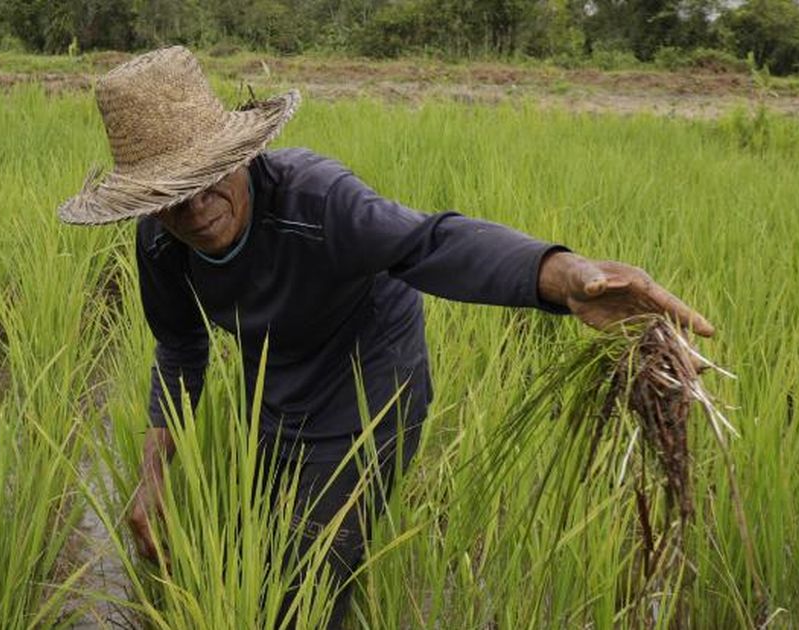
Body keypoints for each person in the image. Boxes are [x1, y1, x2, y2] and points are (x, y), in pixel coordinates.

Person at [57, 46, 713, 628]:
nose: (196, 208)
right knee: (261, 528)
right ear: (144, 201)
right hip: (279, 378)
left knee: (314, 569)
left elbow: (432, 243)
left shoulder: (317, 202)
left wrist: (564, 275)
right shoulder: (161, 245)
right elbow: (179, 349)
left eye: (208, 178)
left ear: (240, 155)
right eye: (171, 195)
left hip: (374, 385)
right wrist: (152, 473)